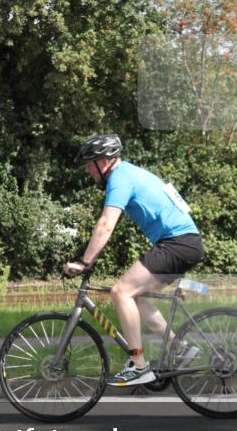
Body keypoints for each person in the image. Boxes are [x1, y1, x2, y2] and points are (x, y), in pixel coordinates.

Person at [63, 133, 204, 386]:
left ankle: (139, 365)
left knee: (121, 291)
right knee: (134, 296)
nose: (87, 170)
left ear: (104, 161)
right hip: (183, 243)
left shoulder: (120, 178)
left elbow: (106, 224)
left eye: (89, 163)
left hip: (178, 243)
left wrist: (84, 263)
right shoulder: (129, 173)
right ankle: (179, 348)